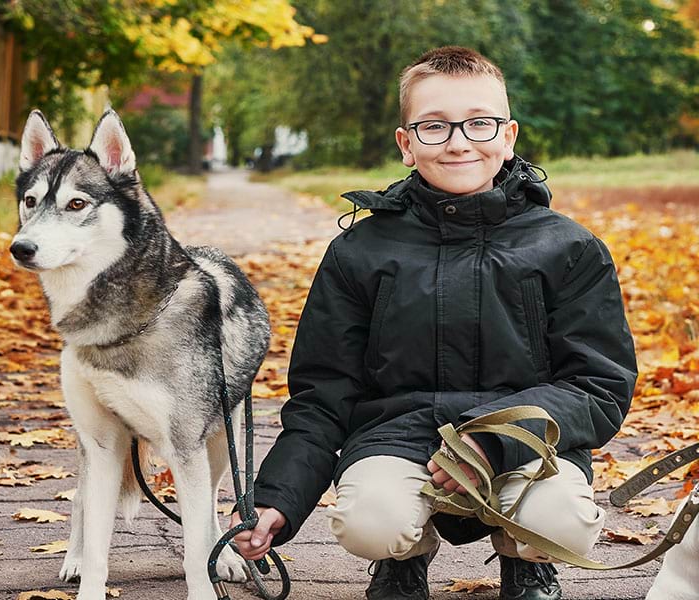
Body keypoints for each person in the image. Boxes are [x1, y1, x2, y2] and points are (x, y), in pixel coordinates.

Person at [230, 46, 637, 600]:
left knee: (561, 516)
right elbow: (325, 394)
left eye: (480, 123)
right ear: (405, 144)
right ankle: (404, 559)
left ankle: (528, 559)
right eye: (434, 126)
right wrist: (277, 496)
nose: (459, 141)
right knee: (370, 520)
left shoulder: (568, 248)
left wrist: (494, 438)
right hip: (398, 437)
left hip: (524, 442)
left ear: (509, 134)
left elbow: (599, 386)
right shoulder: (359, 252)